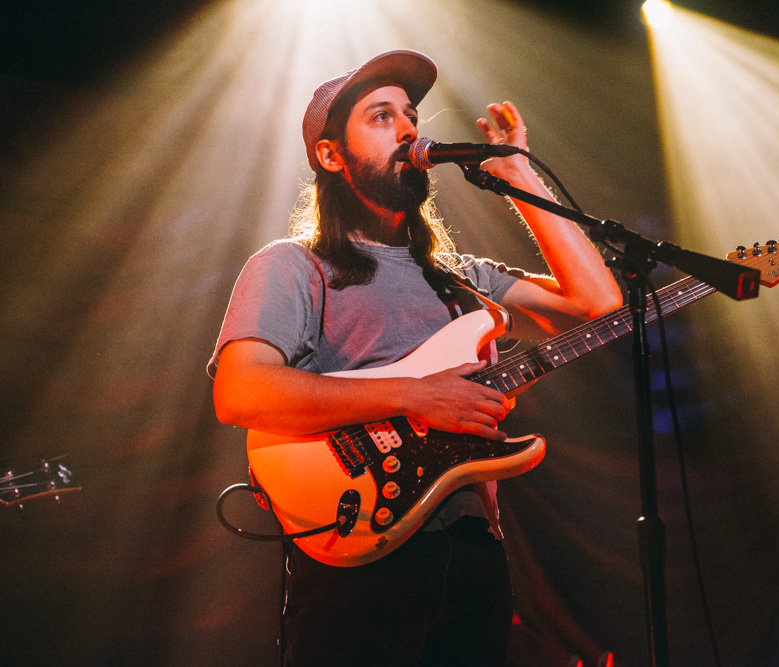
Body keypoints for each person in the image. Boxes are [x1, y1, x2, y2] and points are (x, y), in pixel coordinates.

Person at [208, 50, 622, 666]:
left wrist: (517, 175)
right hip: (358, 550)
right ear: (330, 156)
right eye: (380, 117)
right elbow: (240, 393)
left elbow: (597, 302)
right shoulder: (293, 267)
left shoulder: (461, 278)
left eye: (409, 114)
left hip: (474, 553)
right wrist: (414, 395)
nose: (407, 129)